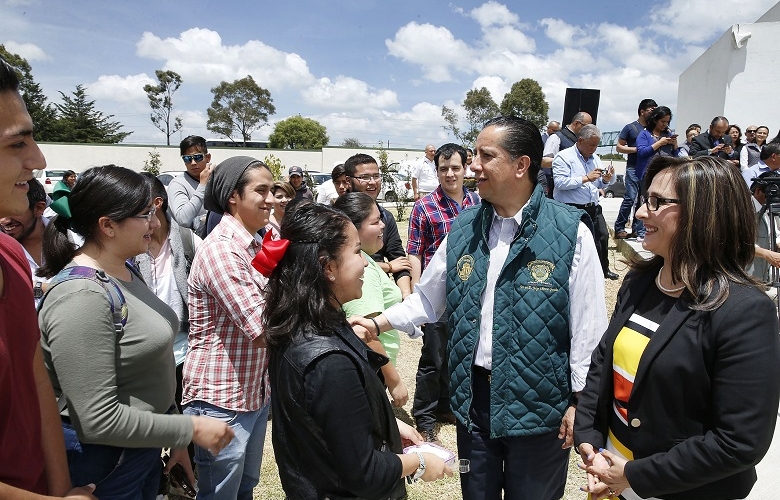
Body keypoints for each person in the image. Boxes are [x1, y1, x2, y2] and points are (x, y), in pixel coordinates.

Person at [353, 116, 608, 500]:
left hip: (539, 407)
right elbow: (427, 298)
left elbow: (589, 329)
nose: (473, 165)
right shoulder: (465, 227)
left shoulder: (571, 232)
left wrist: (580, 403)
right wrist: (377, 323)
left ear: (521, 165)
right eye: (474, 154)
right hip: (474, 405)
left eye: (485, 156)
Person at [575, 155, 780, 500]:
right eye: (644, 199)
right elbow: (604, 362)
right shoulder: (639, 280)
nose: (641, 212)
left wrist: (636, 476)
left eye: (656, 202)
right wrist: (590, 441)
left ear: (703, 213)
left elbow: (739, 442)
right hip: (614, 475)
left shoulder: (745, 311)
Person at [37, 165, 233, 500]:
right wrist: (190, 428)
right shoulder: (82, 296)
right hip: (104, 462)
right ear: (107, 225)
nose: (156, 224)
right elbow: (97, 418)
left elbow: (147, 371)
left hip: (138, 450)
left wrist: (174, 441)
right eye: (145, 214)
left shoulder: (124, 271)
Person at [259, 201, 453, 500]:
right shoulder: (329, 361)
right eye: (356, 252)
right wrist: (421, 460)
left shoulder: (299, 328)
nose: (366, 262)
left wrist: (386, 423)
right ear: (328, 267)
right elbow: (365, 472)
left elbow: (331, 423)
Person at [0, 54, 96, 500]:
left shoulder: (11, 256)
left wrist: (60, 488)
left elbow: (34, 374)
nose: (38, 159)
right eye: (16, 144)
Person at [182, 156, 274, 500]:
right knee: (219, 493)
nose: (270, 199)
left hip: (251, 391)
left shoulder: (255, 243)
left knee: (244, 487)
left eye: (272, 189)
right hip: (221, 398)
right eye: (260, 190)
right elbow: (262, 327)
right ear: (232, 197)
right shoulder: (223, 251)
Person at [405, 143, 481, 443]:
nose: (449, 174)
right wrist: (416, 296)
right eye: (443, 169)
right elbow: (414, 253)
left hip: (469, 293)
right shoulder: (424, 206)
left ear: (466, 168)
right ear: (436, 171)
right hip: (437, 294)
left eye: (455, 168)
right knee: (433, 358)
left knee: (460, 353)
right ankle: (424, 417)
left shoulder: (476, 203)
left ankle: (447, 406)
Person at [335, 192, 409, 408]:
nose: (383, 226)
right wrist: (394, 380)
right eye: (375, 221)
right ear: (353, 229)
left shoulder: (366, 259)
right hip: (371, 367)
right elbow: (365, 329)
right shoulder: (361, 270)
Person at [553, 124, 619, 279]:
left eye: (597, 145)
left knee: (602, 237)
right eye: (592, 145)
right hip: (571, 208)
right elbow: (560, 183)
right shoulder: (564, 157)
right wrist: (585, 178)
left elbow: (599, 184)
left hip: (593, 207)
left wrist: (606, 179)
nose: (595, 149)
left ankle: (603, 270)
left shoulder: (595, 158)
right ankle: (568, 272)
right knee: (573, 241)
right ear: (581, 140)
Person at [345, 153, 412, 297]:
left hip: (381, 293)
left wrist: (406, 296)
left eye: (376, 176)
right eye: (364, 177)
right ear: (348, 181)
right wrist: (388, 267)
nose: (372, 182)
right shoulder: (338, 217)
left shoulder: (386, 217)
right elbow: (340, 262)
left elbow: (399, 261)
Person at [613, 99, 657, 240]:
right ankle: (619, 227)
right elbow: (619, 147)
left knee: (642, 199)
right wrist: (636, 149)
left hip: (648, 168)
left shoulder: (653, 129)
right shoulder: (630, 127)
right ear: (642, 111)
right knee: (630, 197)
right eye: (651, 109)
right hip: (633, 167)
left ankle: (638, 230)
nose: (653, 111)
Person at [0, 179, 48, 306]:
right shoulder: (2, 250)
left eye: (12, 211)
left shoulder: (74, 242)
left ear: (39, 208)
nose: (4, 221)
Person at [169, 136, 214, 234]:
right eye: (187, 159)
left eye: (198, 157)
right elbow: (183, 219)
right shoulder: (178, 184)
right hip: (191, 245)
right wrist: (202, 185)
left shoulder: (216, 180)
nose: (193, 163)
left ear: (208, 158)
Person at [542, 112, 593, 198]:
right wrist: (566, 161)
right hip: (558, 193)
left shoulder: (581, 141)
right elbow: (544, 162)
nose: (588, 130)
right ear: (576, 123)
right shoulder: (556, 137)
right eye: (586, 127)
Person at [747, 170, 780, 283]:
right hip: (745, 278)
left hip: (762, 277)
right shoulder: (743, 210)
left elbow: (774, 237)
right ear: (758, 191)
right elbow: (738, 244)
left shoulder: (767, 210)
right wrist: (767, 254)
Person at [635, 106, 679, 184]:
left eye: (667, 122)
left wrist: (675, 147)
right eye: (662, 121)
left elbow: (675, 157)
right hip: (648, 174)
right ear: (655, 120)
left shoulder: (668, 134)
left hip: (666, 174)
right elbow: (641, 152)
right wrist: (659, 143)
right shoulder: (644, 134)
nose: (665, 124)